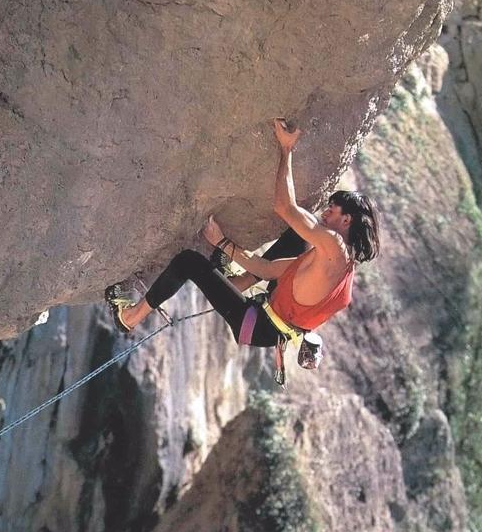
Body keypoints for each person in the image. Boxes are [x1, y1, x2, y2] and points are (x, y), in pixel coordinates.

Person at [105, 119, 380, 372]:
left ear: (346, 220)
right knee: (298, 236)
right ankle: (233, 282)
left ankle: (130, 316)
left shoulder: (333, 246)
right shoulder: (342, 267)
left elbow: (284, 206)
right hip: (268, 329)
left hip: (256, 322)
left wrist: (287, 150)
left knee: (188, 261)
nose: (324, 213)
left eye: (331, 210)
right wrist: (224, 244)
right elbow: (268, 268)